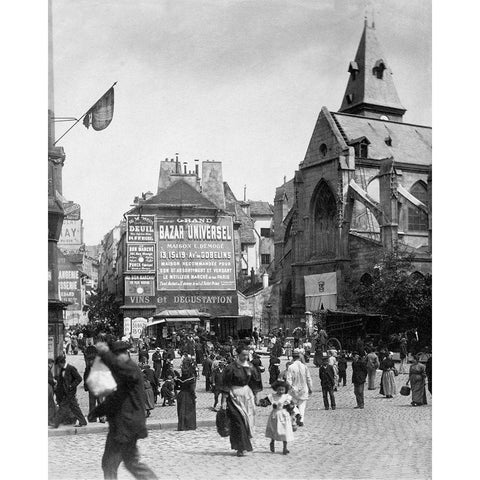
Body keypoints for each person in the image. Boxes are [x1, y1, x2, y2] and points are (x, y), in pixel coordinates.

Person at [88, 341, 157, 480]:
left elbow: (118, 370)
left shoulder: (131, 369)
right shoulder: (124, 375)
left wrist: (106, 354)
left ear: (122, 355)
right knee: (128, 463)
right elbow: (115, 399)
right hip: (123, 426)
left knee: (110, 464)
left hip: (126, 426)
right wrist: (97, 411)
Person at [221, 345, 257, 457]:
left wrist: (255, 396)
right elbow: (225, 384)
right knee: (237, 421)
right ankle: (241, 447)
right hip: (234, 396)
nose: (245, 357)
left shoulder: (250, 367)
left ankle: (243, 445)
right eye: (243, 355)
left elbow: (255, 383)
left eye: (247, 355)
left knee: (247, 421)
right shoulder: (231, 368)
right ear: (238, 354)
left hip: (247, 396)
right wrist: (223, 401)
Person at [259, 380, 296, 455]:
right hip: (275, 415)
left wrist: (292, 410)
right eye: (279, 389)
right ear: (276, 389)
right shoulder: (272, 396)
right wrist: (262, 403)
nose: (281, 391)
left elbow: (293, 406)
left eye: (282, 389)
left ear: (285, 389)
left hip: (284, 415)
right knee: (274, 430)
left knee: (285, 431)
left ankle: (285, 447)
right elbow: (265, 402)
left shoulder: (287, 397)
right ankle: (272, 442)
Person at [53, 355, 87, 428]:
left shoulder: (71, 368)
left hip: (70, 392)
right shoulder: (62, 370)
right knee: (75, 408)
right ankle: (83, 421)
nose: (58, 366)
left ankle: (55, 424)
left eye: (58, 365)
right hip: (65, 393)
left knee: (62, 407)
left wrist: (71, 385)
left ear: (61, 363)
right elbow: (62, 381)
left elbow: (79, 378)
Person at [285, 349, 313, 426]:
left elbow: (289, 379)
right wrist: (310, 388)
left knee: (289, 402)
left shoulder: (291, 367)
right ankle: (301, 420)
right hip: (304, 388)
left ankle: (297, 413)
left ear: (292, 357)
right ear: (300, 357)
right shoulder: (304, 367)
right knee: (302, 405)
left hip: (294, 389)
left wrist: (289, 388)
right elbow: (308, 378)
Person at [175, 359, 197, 431]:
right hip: (188, 396)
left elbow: (176, 387)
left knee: (181, 411)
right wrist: (194, 396)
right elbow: (192, 389)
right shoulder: (191, 379)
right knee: (189, 411)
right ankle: (189, 426)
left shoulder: (179, 379)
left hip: (181, 395)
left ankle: (182, 426)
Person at [48, 358, 57, 427]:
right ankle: (50, 420)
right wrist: (54, 381)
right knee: (51, 405)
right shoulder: (47, 369)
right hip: (48, 389)